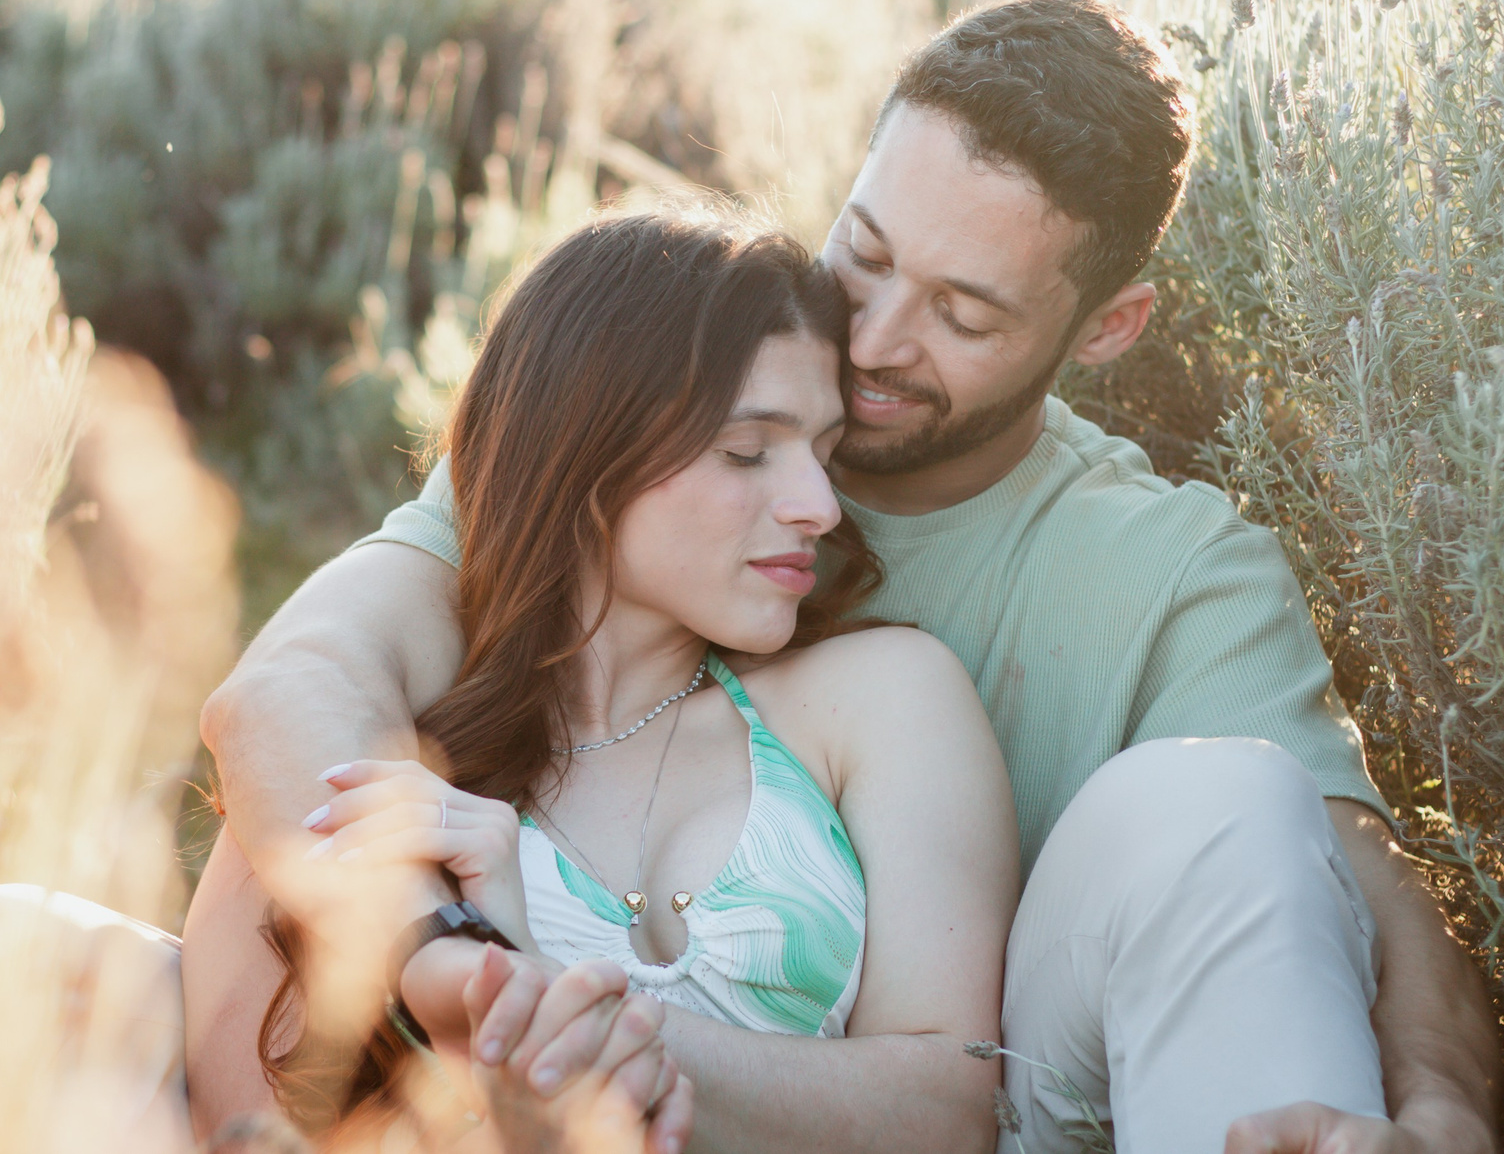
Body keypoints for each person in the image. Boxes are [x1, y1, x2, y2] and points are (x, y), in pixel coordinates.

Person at [189, 0, 1502, 1154]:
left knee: (1223, 796)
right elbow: (296, 690)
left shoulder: (1169, 571)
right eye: (864, 253)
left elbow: (1357, 885)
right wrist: (449, 960)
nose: (871, 338)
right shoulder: (651, 422)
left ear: (1106, 327)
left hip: (1025, 1081)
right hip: (600, 1071)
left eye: (963, 313)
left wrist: (1445, 1112)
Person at [252, 205, 1016, 1150]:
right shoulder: (394, 756)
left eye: (825, 453)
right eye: (747, 451)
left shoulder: (881, 696)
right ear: (588, 447)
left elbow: (948, 1112)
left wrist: (546, 1002)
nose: (819, 506)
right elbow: (251, 1116)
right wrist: (474, 997)